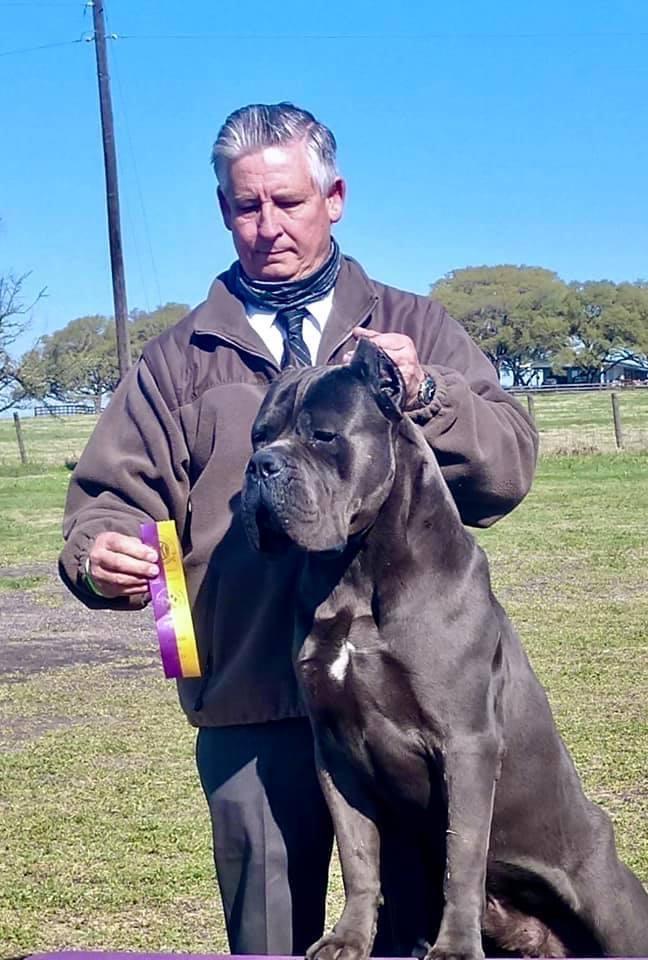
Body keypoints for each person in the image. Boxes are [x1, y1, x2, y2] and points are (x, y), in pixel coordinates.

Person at [59, 102, 538, 955]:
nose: (268, 225)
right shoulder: (177, 361)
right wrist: (98, 552)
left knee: (408, 936)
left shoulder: (415, 327)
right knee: (271, 942)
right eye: (247, 206)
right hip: (250, 706)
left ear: (335, 198)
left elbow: (506, 470)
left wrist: (428, 393)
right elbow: (108, 497)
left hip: (400, 713)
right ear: (223, 210)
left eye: (288, 201)